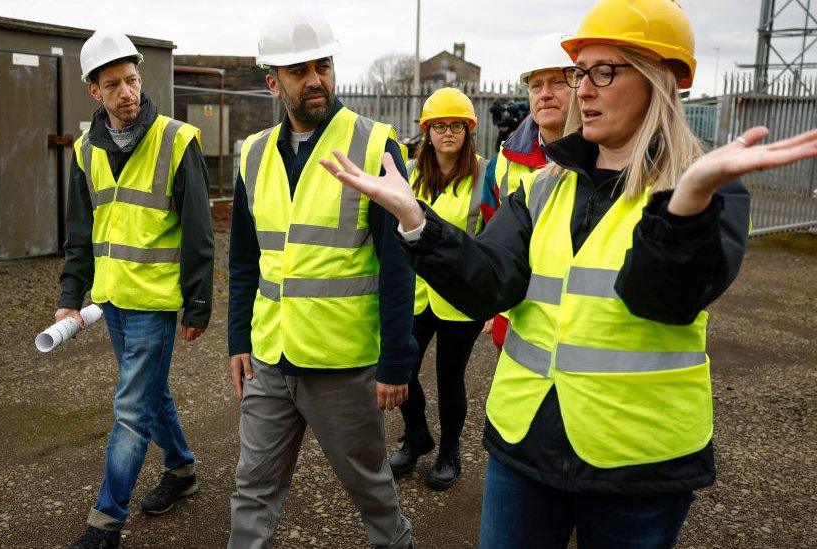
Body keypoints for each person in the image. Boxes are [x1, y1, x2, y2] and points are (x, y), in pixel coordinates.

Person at [319, 0, 817, 546]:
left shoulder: (707, 190)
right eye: (582, 73)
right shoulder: (545, 186)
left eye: (604, 71)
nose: (583, 89)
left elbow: (664, 300)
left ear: (662, 81)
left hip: (637, 463)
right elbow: (488, 282)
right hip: (524, 447)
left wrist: (686, 202)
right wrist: (417, 219)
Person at [227, 6, 417, 548]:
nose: (316, 80)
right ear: (273, 82)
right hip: (270, 356)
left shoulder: (374, 146)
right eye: (298, 70)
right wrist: (239, 337)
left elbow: (397, 260)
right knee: (251, 490)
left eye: (323, 65)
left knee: (371, 490)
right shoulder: (255, 155)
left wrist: (396, 360)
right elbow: (244, 260)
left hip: (343, 364)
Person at [58, 30, 214, 549]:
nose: (126, 92)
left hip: (155, 303)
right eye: (113, 84)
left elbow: (198, 232)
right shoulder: (85, 150)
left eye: (131, 80)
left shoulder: (177, 140)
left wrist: (198, 302)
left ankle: (105, 523)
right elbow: (80, 233)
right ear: (93, 91)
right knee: (151, 394)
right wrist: (69, 295)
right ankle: (182, 468)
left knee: (130, 411)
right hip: (112, 302)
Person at [387, 88, 490, 490]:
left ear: (468, 130)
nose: (448, 133)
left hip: (460, 297)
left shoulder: (485, 174)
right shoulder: (411, 174)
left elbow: (492, 238)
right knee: (403, 370)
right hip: (416, 293)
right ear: (427, 132)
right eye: (440, 126)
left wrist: (493, 302)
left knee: (450, 377)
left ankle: (449, 452)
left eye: (457, 126)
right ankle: (416, 436)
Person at [480, 32, 574, 349]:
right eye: (536, 85)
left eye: (558, 83)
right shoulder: (502, 163)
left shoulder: (611, 157)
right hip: (517, 327)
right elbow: (493, 247)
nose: (545, 94)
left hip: (583, 331)